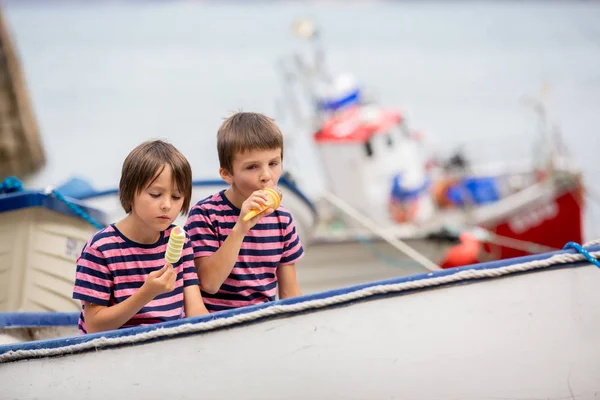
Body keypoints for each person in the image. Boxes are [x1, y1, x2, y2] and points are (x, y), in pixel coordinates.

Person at [72, 140, 208, 334]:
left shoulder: (180, 240)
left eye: (176, 197)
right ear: (129, 192)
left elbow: (195, 310)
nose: (167, 205)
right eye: (155, 194)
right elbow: (95, 326)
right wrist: (147, 293)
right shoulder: (100, 249)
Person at [185, 112, 304, 312]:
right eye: (252, 167)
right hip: (216, 326)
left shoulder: (282, 219)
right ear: (227, 174)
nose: (266, 176)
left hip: (264, 323)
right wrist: (240, 228)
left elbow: (289, 294)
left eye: (273, 163)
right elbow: (209, 283)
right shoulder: (205, 215)